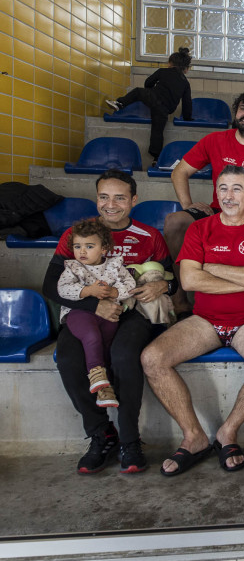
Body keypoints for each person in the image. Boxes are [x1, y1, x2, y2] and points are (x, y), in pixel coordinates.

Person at [142, 166, 244, 476]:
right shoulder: (200, 229)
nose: (229, 195)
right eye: (223, 188)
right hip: (205, 320)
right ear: (215, 193)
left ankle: (227, 432)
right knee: (152, 358)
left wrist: (213, 267)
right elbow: (190, 281)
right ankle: (193, 436)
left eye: (236, 188)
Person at [42, 170, 175, 474]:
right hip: (84, 314)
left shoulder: (150, 236)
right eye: (104, 197)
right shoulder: (77, 235)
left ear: (133, 200)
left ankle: (130, 440)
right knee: (68, 357)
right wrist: (94, 305)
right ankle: (101, 434)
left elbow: (173, 281)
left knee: (125, 356)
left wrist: (163, 286)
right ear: (96, 198)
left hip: (132, 313)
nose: (110, 204)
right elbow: (51, 287)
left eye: (119, 197)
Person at [163, 88, 244, 315]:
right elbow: (179, 172)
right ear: (235, 113)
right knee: (174, 222)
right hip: (217, 211)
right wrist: (187, 204)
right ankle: (180, 299)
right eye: (242, 108)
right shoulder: (215, 140)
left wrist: (236, 220)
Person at [57, 219, 137, 409]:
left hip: (108, 316)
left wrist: (114, 292)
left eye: (89, 246)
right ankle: (96, 374)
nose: (82, 252)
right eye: (77, 246)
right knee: (92, 337)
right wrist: (88, 291)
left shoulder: (115, 265)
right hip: (79, 314)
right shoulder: (73, 267)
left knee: (106, 346)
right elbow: (62, 289)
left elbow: (130, 284)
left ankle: (104, 390)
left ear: (103, 249)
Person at [106, 48, 192, 161]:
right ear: (185, 69)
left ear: (170, 63)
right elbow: (187, 103)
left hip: (153, 98)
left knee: (137, 91)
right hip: (165, 109)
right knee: (158, 130)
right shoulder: (185, 83)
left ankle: (119, 104)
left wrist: (150, 92)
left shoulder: (163, 71)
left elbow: (148, 82)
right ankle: (156, 158)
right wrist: (187, 118)